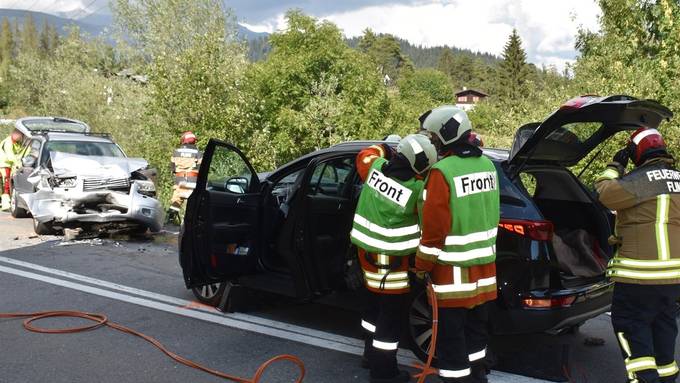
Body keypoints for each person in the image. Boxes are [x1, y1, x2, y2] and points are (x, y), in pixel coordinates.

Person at [416, 105, 499, 383]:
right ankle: (478, 378)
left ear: (445, 135)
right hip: (485, 273)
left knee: (451, 342)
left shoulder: (442, 171)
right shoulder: (487, 165)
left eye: (434, 137)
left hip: (452, 274)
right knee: (477, 335)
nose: (433, 142)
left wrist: (421, 265)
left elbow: (434, 231)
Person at [595, 127, 680, 383]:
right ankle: (666, 378)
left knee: (632, 329)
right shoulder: (677, 178)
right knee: (663, 329)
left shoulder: (640, 180)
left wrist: (614, 166)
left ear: (636, 152)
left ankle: (644, 379)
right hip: (673, 278)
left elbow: (604, 193)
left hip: (639, 277)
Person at [351, 134, 438, 383]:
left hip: (366, 258)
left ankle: (369, 354)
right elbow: (428, 224)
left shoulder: (375, 169)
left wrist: (385, 147)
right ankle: (384, 373)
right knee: (390, 319)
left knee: (372, 309)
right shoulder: (416, 189)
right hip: (392, 264)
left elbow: (365, 154)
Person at [168, 131, 202, 221]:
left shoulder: (176, 151)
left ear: (183, 140)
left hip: (180, 181)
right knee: (193, 204)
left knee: (176, 202)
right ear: (194, 141)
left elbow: (173, 168)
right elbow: (201, 168)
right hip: (193, 181)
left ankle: (170, 221)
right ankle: (190, 223)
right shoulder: (198, 152)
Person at [0, 129, 25, 211]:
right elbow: (10, 156)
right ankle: (5, 205)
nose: (21, 137)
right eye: (20, 135)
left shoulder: (16, 142)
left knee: (6, 184)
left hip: (9, 165)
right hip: (3, 165)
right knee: (5, 185)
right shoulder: (8, 143)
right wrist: (19, 163)